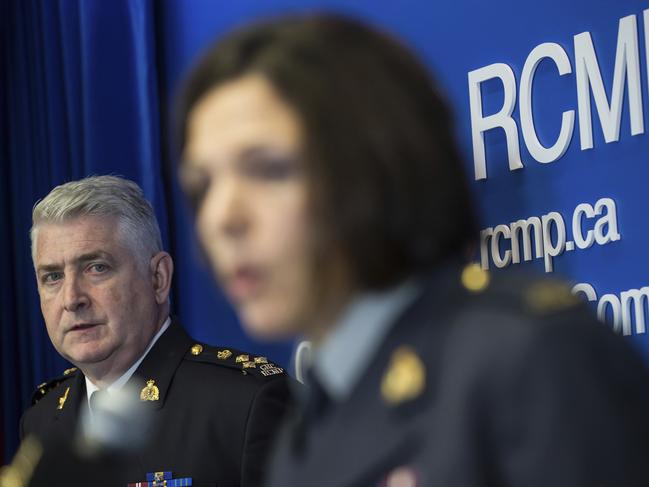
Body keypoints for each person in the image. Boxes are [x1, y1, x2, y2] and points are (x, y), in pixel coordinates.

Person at [175, 14, 649, 487]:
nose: (222, 219)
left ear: (377, 166)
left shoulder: (533, 357)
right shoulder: (304, 428)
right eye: (202, 187)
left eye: (268, 169)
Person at [20, 175, 292, 486]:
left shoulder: (248, 403)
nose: (71, 299)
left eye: (97, 267)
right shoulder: (42, 420)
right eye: (52, 276)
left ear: (158, 278)